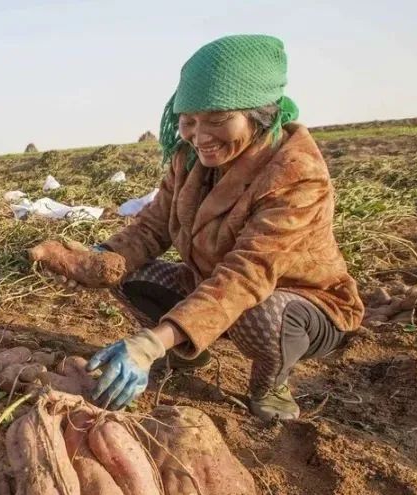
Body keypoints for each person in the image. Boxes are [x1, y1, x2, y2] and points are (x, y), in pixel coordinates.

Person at [85, 35, 364, 420]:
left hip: (300, 305)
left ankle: (271, 385)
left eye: (217, 121)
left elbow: (246, 276)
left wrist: (150, 344)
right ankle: (188, 350)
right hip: (212, 286)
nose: (200, 137)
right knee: (123, 270)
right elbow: (151, 228)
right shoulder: (188, 160)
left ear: (259, 114)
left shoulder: (297, 175)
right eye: (189, 122)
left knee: (261, 314)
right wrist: (95, 261)